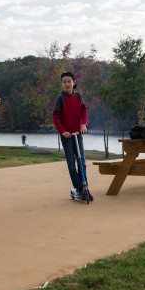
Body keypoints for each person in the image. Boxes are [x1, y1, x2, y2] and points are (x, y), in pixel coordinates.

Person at [52, 71, 92, 201]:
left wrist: (84, 124)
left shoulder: (78, 96)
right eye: (64, 82)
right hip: (67, 136)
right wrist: (62, 131)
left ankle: (85, 188)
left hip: (78, 134)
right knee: (71, 163)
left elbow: (84, 110)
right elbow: (56, 116)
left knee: (82, 162)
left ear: (74, 82)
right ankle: (79, 188)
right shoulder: (60, 98)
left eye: (69, 81)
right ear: (62, 84)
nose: (67, 84)